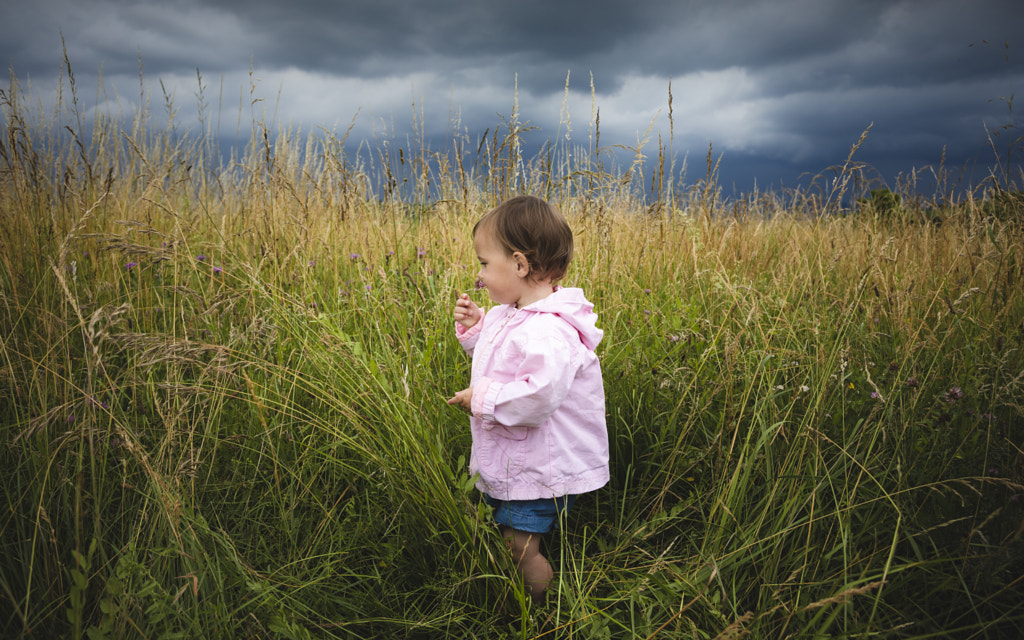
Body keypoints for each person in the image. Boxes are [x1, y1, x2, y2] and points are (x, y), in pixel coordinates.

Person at [448, 195, 609, 603]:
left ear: (520, 264)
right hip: (518, 462)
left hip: (538, 472)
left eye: (485, 263)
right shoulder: (511, 312)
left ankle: (541, 612)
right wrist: (476, 327)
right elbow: (501, 357)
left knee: (519, 549)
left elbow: (536, 396)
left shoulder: (549, 332)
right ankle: (520, 598)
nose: (479, 276)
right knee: (504, 536)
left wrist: (479, 398)